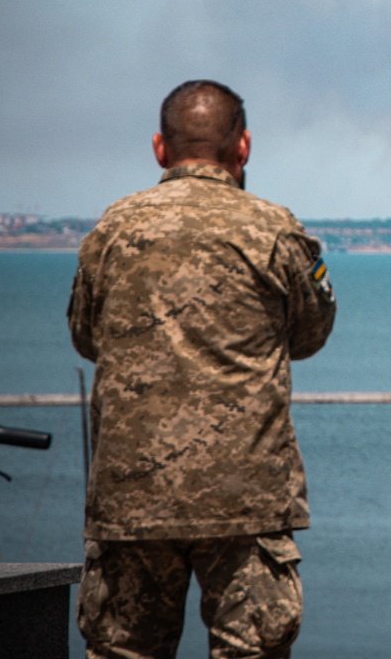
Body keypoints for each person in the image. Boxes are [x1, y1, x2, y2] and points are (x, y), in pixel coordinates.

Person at [68, 80, 336, 659]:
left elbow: (86, 338)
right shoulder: (273, 229)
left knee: (124, 652)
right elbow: (311, 334)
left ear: (160, 149)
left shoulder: (113, 229)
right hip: (244, 495)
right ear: (243, 148)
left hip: (132, 497)